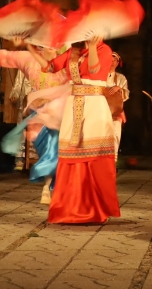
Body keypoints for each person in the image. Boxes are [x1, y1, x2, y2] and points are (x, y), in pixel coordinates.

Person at [45, 36, 120, 224]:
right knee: (71, 155)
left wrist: (93, 46)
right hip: (74, 104)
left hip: (94, 105)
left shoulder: (104, 50)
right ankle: (69, 207)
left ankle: (95, 208)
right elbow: (51, 67)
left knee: (94, 156)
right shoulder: (74, 51)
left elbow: (94, 69)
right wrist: (29, 47)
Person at [0, 41, 68, 204]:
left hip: (59, 112)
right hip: (39, 113)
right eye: (46, 43)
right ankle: (51, 186)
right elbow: (9, 57)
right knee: (47, 151)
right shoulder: (30, 59)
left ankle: (49, 187)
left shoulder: (64, 62)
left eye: (53, 45)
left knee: (56, 149)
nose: (50, 47)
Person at [106, 52, 129, 163]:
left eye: (114, 60)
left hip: (115, 110)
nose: (112, 62)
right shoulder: (100, 75)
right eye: (109, 60)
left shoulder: (121, 78)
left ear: (117, 62)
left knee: (115, 134)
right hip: (100, 110)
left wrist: (119, 89)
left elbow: (126, 94)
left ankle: (113, 162)